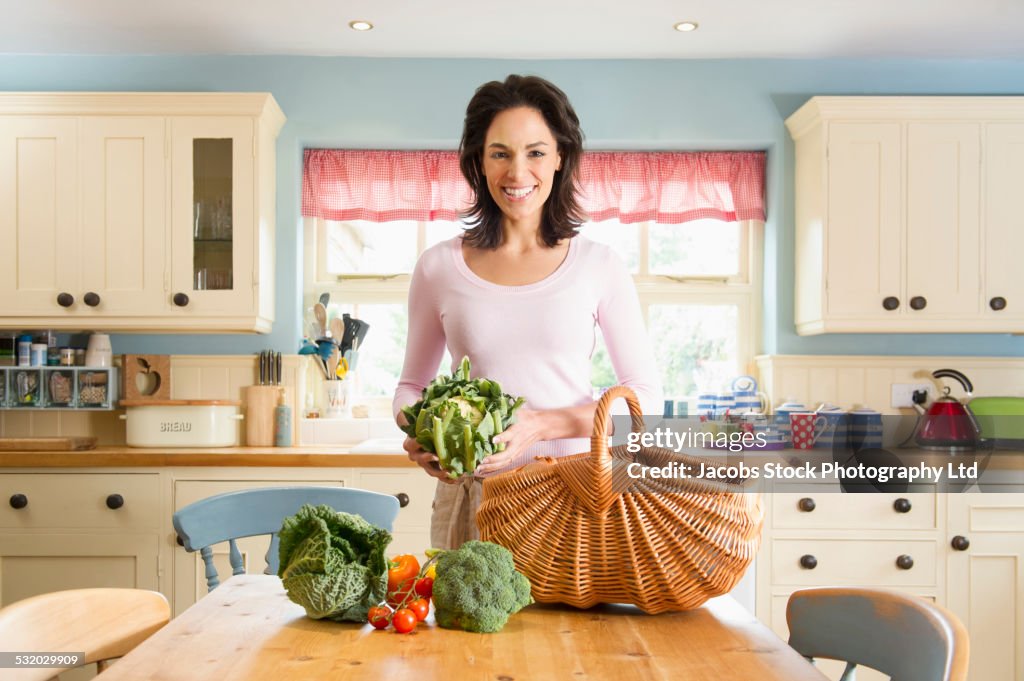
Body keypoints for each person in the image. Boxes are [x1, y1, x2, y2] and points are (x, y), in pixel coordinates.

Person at [392, 74, 662, 549]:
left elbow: (645, 401)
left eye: (535, 152)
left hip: (571, 494)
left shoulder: (598, 265)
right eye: (500, 153)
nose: (517, 173)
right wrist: (420, 432)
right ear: (479, 161)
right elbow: (410, 387)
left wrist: (539, 425)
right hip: (473, 496)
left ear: (560, 157)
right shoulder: (438, 268)